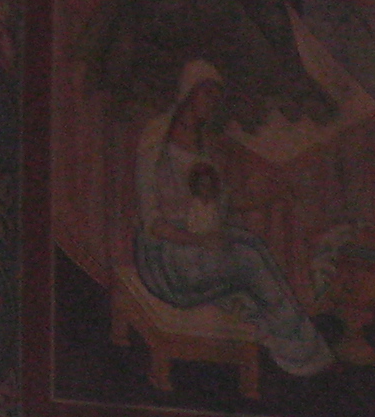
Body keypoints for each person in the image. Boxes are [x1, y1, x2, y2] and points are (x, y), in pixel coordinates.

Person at [130, 61, 334, 379]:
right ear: (188, 93)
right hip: (165, 258)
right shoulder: (157, 140)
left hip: (194, 245)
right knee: (249, 259)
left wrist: (274, 196)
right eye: (207, 94)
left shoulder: (202, 147)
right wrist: (200, 240)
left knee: (253, 243)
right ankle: (299, 350)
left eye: (216, 97)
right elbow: (152, 223)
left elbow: (224, 204)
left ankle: (300, 343)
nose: (213, 103)